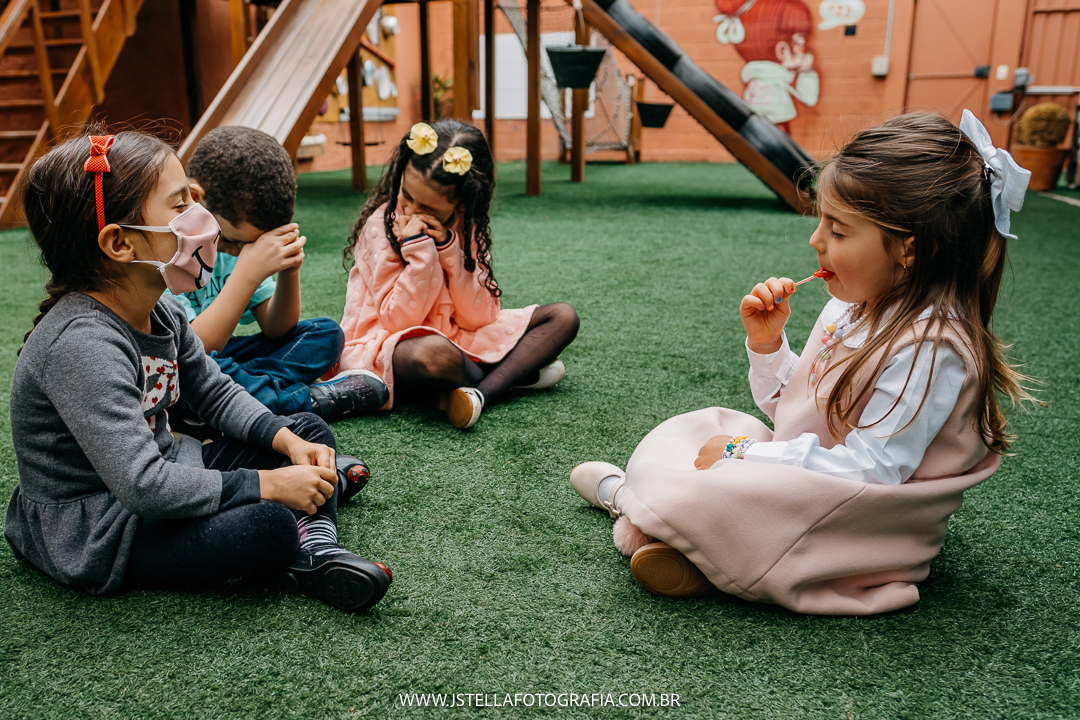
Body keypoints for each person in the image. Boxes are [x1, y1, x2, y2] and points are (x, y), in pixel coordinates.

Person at [569, 110, 1033, 615]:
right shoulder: (852, 307)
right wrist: (768, 347)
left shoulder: (932, 348)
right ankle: (688, 539)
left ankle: (634, 505)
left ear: (911, 251)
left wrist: (746, 452)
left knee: (724, 467)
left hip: (866, 517)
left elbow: (874, 470)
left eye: (837, 230)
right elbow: (801, 412)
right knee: (701, 427)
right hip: (816, 474)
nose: (816, 242)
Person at [5, 131, 391, 612]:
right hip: (102, 528)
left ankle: (313, 540)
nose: (200, 217)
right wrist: (268, 484)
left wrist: (283, 441)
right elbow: (142, 485)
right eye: (180, 204)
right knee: (266, 523)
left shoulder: (161, 307)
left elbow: (212, 391)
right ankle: (301, 538)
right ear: (120, 243)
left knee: (308, 430)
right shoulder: (82, 345)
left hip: (168, 474)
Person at [338, 120, 579, 429]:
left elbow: (478, 318)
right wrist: (420, 252)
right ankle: (514, 376)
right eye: (406, 194)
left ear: (462, 203)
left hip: (458, 336)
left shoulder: (466, 226)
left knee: (563, 317)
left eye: (427, 207)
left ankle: (479, 394)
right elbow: (397, 321)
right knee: (435, 356)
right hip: (390, 343)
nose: (410, 211)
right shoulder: (380, 227)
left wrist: (449, 250)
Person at [183, 126, 388, 426]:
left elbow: (277, 329)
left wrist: (289, 273)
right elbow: (192, 351)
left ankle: (234, 397)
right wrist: (246, 275)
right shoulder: (167, 250)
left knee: (326, 334)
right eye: (234, 241)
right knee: (193, 372)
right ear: (195, 198)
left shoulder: (231, 241)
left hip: (222, 361)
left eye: (251, 245)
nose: (238, 252)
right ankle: (301, 400)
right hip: (183, 361)